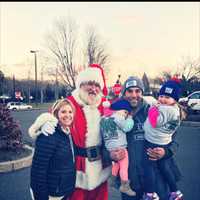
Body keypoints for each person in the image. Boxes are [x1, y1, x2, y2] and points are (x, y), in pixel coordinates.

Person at [29, 64, 112, 200]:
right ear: (81, 85)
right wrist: (45, 122)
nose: (93, 88)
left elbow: (122, 114)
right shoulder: (71, 102)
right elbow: (54, 113)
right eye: (89, 83)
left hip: (101, 167)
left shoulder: (104, 105)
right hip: (77, 170)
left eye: (97, 85)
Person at [110, 76, 181, 200]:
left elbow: (174, 142)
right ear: (124, 93)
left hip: (157, 182)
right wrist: (111, 155)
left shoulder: (154, 111)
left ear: (142, 93)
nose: (134, 95)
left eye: (137, 91)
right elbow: (107, 143)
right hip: (130, 182)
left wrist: (165, 152)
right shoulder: (115, 116)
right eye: (130, 91)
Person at [143, 79, 185, 200]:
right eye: (161, 96)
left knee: (149, 166)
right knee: (164, 167)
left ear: (174, 100)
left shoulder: (165, 109)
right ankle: (175, 191)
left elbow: (155, 121)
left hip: (152, 141)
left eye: (167, 97)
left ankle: (150, 194)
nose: (162, 100)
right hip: (163, 142)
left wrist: (153, 109)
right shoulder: (176, 110)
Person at [29, 99, 76, 200]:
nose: (67, 115)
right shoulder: (48, 134)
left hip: (63, 191)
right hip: (51, 194)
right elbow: (38, 171)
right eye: (63, 112)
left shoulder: (67, 133)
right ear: (56, 114)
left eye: (70, 112)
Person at [100, 98, 136, 196]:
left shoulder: (103, 118)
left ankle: (112, 179)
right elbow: (127, 127)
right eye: (125, 112)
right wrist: (130, 118)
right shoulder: (118, 116)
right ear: (118, 110)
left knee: (117, 164)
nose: (125, 114)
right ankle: (124, 185)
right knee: (124, 166)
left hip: (110, 148)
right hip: (121, 147)